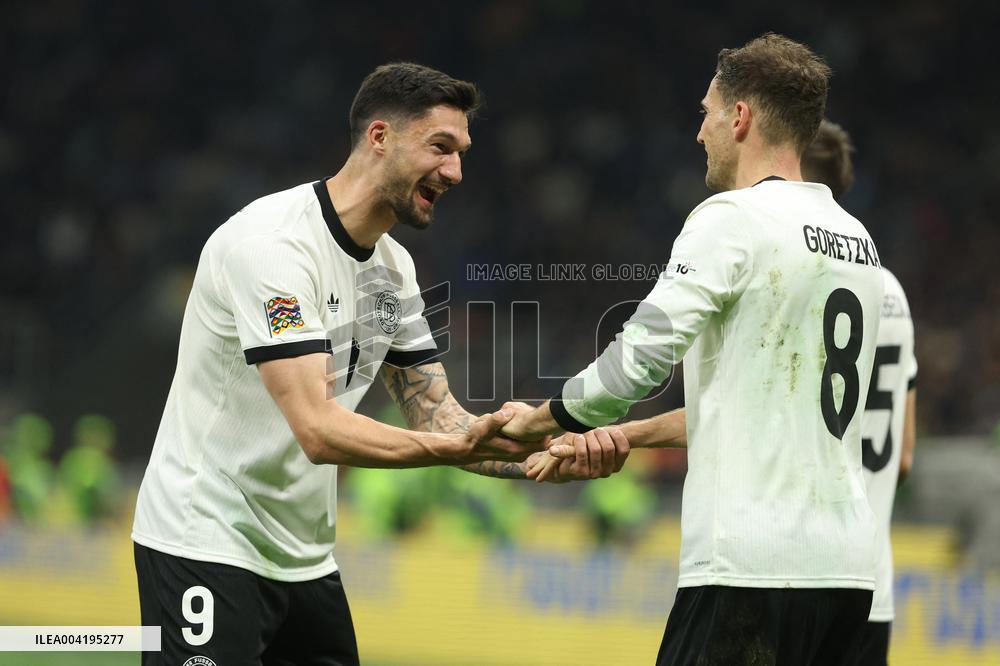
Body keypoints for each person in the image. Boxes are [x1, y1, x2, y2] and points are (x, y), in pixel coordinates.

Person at [132, 62, 626, 666]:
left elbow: (437, 417)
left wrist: (543, 456)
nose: (456, 171)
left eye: (462, 152)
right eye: (440, 147)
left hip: (303, 558)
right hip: (204, 539)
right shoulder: (271, 249)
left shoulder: (393, 272)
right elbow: (318, 430)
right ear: (380, 137)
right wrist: (450, 450)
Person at [508, 34, 885, 664]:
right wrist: (619, 437)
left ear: (740, 118)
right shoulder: (859, 242)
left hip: (747, 568)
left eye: (706, 112)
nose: (699, 132)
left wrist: (542, 420)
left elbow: (638, 361)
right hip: (847, 575)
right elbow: (756, 408)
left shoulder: (731, 218)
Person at [802, 119, 919, 666]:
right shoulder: (888, 286)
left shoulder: (811, 282)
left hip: (803, 576)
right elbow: (905, 455)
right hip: (875, 582)